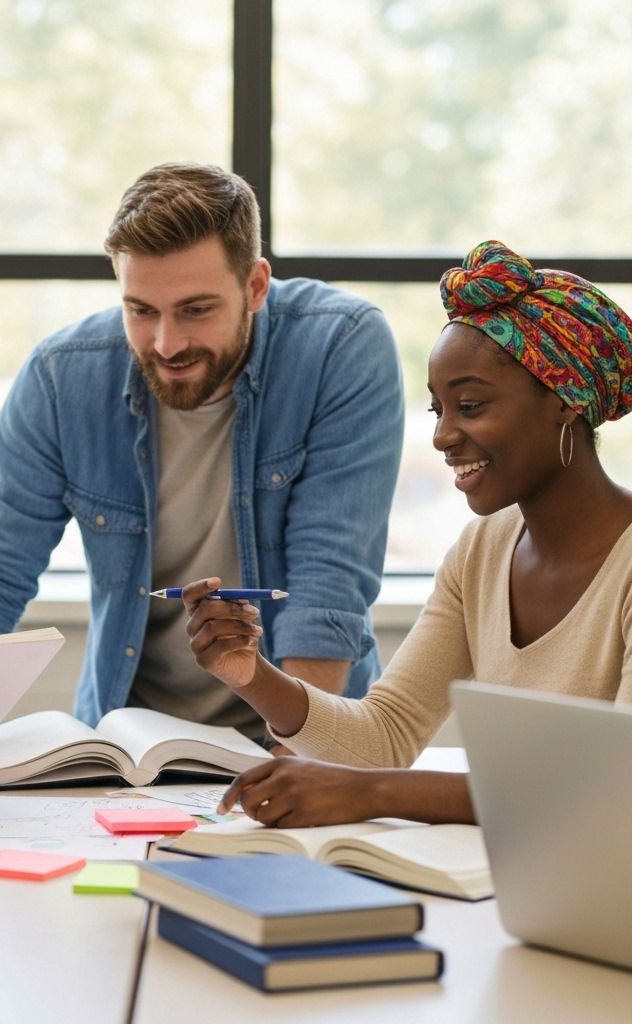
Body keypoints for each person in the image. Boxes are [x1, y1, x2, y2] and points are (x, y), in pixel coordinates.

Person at [0, 163, 404, 738]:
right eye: (141, 311)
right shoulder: (61, 377)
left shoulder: (340, 348)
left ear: (255, 286)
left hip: (298, 733)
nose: (167, 344)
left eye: (196, 310)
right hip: (128, 746)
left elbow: (327, 586)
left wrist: (295, 768)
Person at [183, 239, 632, 826]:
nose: (443, 436)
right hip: (511, 886)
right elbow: (384, 736)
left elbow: (616, 784)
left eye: (469, 405)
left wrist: (374, 795)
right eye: (437, 410)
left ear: (565, 402)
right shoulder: (483, 551)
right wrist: (250, 673)